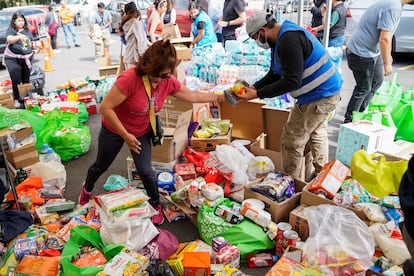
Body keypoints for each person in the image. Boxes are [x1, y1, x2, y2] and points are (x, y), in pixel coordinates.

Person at [78, 40, 225, 225]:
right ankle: (87, 189)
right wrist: (125, 135)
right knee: (101, 165)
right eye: (160, 75)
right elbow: (106, 107)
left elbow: (193, 96)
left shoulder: (167, 81)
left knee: (146, 171)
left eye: (167, 75)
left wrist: (222, 96)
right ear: (148, 67)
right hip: (115, 129)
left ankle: (156, 205)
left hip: (141, 130)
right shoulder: (129, 79)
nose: (163, 80)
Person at [242, 12, 343, 179]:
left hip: (319, 94)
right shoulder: (281, 38)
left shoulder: (288, 41)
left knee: (291, 140)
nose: (256, 42)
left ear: (262, 31)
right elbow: (275, 73)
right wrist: (254, 87)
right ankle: (323, 179)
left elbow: (291, 82)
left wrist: (258, 94)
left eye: (254, 38)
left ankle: (289, 185)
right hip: (323, 92)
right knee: (316, 132)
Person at [344, 0, 414, 123]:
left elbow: (386, 37)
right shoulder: (393, 7)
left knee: (377, 82)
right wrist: (387, 63)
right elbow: (385, 39)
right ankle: (350, 121)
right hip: (360, 52)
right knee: (363, 88)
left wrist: (387, 56)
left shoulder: (395, 4)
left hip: (371, 52)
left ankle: (361, 114)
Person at [3, 12, 34, 108]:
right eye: (18, 20)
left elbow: (30, 43)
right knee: (16, 79)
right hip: (12, 58)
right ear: (14, 21)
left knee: (26, 79)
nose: (21, 23)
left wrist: (34, 48)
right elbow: (9, 39)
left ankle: (27, 98)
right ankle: (17, 99)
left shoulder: (27, 31)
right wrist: (19, 37)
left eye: (22, 20)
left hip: (25, 58)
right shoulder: (11, 30)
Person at [119, 2, 151, 69]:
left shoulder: (125, 23)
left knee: (129, 77)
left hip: (128, 55)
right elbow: (141, 40)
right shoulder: (136, 23)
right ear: (136, 11)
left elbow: (124, 40)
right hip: (135, 57)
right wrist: (142, 55)